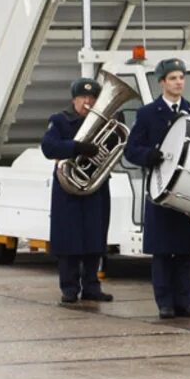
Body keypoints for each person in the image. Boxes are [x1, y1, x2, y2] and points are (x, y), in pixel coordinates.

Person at [124, 58, 190, 319]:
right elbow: (131, 150)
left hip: (188, 189)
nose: (179, 82)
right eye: (173, 78)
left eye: (181, 77)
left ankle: (184, 301)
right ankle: (165, 303)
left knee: (184, 250)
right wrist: (151, 155)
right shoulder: (147, 113)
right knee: (162, 250)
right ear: (162, 83)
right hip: (159, 189)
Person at [40, 77, 113, 304]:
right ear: (74, 99)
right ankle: (69, 287)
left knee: (95, 236)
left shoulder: (105, 122)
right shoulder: (60, 121)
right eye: (83, 97)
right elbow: (48, 147)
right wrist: (75, 147)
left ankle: (92, 285)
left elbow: (115, 150)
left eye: (92, 98)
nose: (87, 102)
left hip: (95, 185)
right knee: (69, 238)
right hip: (68, 187)